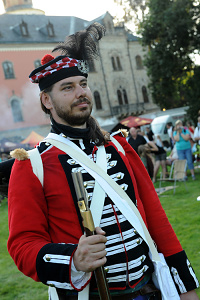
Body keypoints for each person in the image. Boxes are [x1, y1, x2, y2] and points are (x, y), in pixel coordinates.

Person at [7, 23, 199, 300]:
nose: (80, 92)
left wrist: (185, 288)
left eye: (83, 84)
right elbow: (23, 244)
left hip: (150, 290)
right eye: (68, 87)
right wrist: (73, 259)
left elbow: (157, 220)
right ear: (47, 100)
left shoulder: (120, 148)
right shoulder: (31, 164)